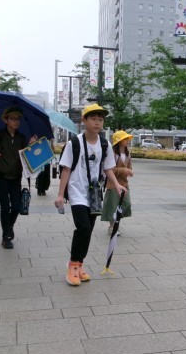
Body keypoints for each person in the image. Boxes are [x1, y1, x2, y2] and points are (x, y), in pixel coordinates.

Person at [55, 104, 124, 287]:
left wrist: (117, 185)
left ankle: (79, 264)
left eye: (100, 119)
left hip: (94, 194)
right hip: (76, 192)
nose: (97, 122)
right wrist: (60, 194)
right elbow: (66, 169)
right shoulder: (74, 143)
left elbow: (108, 168)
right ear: (84, 120)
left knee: (89, 230)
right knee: (83, 227)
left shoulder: (105, 144)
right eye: (93, 119)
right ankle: (72, 265)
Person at [0, 106, 37, 249]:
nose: (16, 121)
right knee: (5, 207)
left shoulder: (21, 138)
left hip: (16, 177)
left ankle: (9, 227)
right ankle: (6, 236)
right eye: (13, 119)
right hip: (1, 176)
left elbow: (26, 155)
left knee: (16, 207)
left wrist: (31, 145)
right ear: (5, 120)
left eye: (18, 119)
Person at [101, 130, 133, 235]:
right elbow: (109, 169)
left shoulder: (128, 154)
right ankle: (112, 226)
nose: (127, 140)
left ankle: (116, 223)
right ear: (118, 141)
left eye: (127, 138)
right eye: (125, 139)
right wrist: (124, 170)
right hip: (113, 184)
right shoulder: (113, 154)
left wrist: (130, 171)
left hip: (124, 183)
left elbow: (129, 166)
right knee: (113, 205)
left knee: (126, 204)